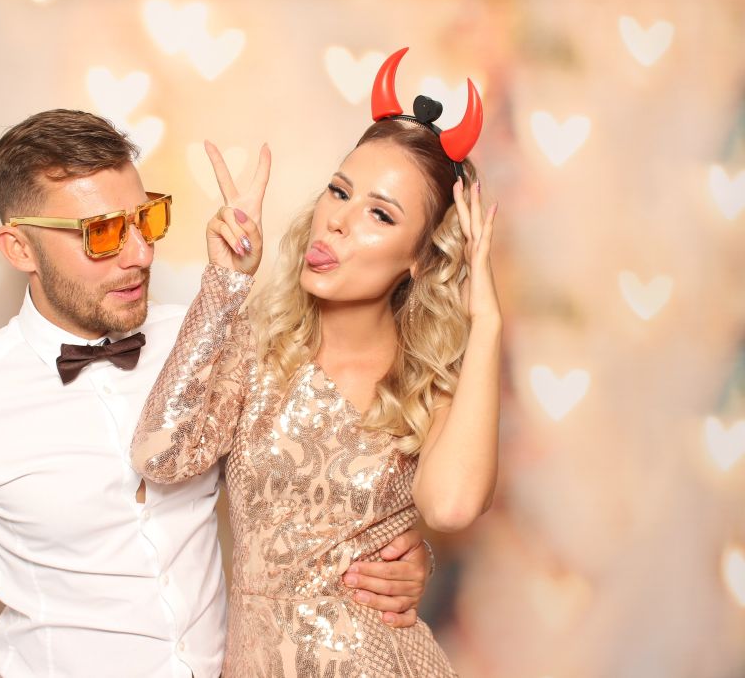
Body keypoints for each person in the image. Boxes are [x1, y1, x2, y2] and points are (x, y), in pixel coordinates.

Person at [0, 107, 434, 678]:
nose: (140, 253)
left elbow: (317, 480)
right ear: (20, 249)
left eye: (145, 219)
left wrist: (401, 553)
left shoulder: (210, 339)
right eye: (102, 233)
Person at [132, 47, 500, 676]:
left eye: (380, 214)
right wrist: (225, 283)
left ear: (420, 258)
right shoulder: (258, 348)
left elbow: (451, 508)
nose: (338, 222)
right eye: (339, 191)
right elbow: (160, 456)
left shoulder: (430, 382)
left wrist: (487, 322)